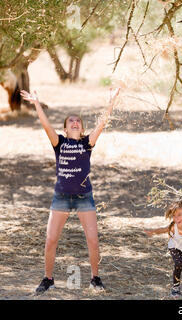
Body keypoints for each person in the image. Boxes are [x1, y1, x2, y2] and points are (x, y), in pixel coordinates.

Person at [20, 88, 121, 294]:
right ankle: (48, 279)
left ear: (82, 128)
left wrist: (111, 102)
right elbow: (46, 126)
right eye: (70, 121)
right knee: (51, 239)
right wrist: (37, 103)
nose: (75, 123)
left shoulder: (87, 143)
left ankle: (95, 278)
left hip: (84, 197)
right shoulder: (59, 143)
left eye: (78, 121)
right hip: (62, 197)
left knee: (92, 240)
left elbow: (102, 123)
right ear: (65, 128)